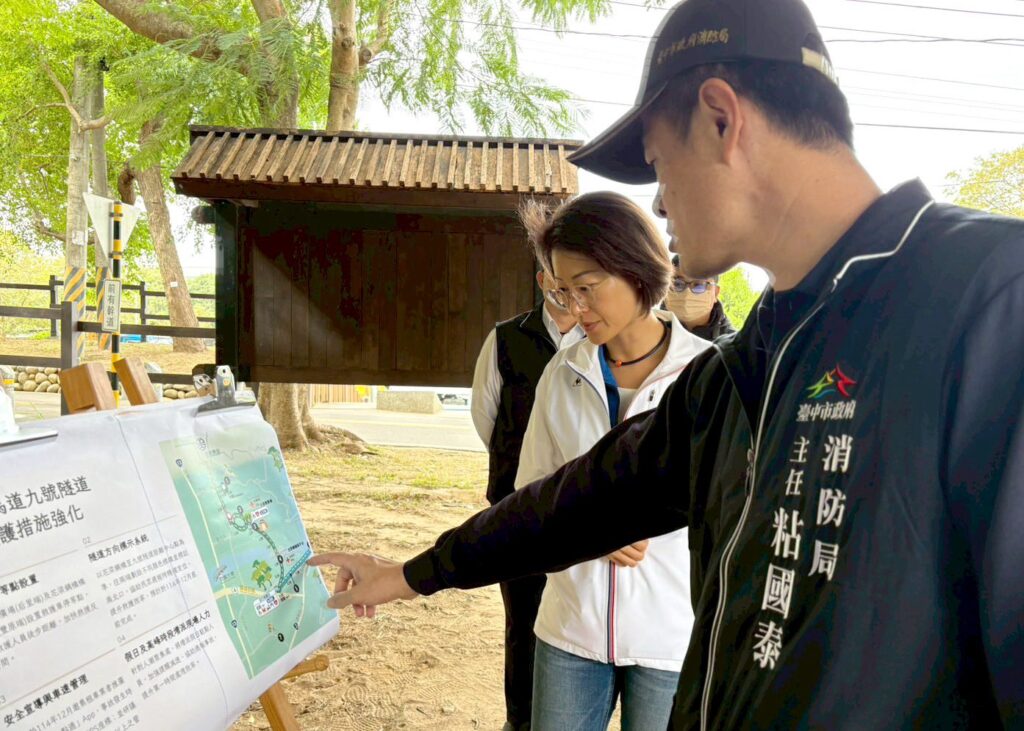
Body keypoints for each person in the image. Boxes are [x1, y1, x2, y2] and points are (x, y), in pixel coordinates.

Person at [309, 0, 1024, 727]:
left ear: (720, 118)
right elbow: (572, 504)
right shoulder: (743, 368)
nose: (656, 201)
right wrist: (410, 574)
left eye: (656, 162)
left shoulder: (991, 298)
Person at [516, 192, 709, 730]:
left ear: (635, 267)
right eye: (563, 290)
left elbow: (732, 507)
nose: (574, 308)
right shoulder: (562, 374)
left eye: (587, 287)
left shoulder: (705, 375)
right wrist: (588, 527)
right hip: (570, 629)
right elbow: (529, 495)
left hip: (672, 634)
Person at [470, 268, 583, 731]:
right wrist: (518, 466)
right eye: (557, 280)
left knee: (572, 623)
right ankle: (519, 721)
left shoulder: (600, 335)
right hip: (516, 507)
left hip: (580, 506)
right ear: (541, 279)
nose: (567, 292)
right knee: (522, 621)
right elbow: (485, 415)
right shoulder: (506, 338)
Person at [663, 257, 735, 340]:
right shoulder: (652, 329)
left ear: (715, 293)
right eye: (678, 284)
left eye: (699, 285)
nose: (687, 293)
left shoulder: (732, 344)